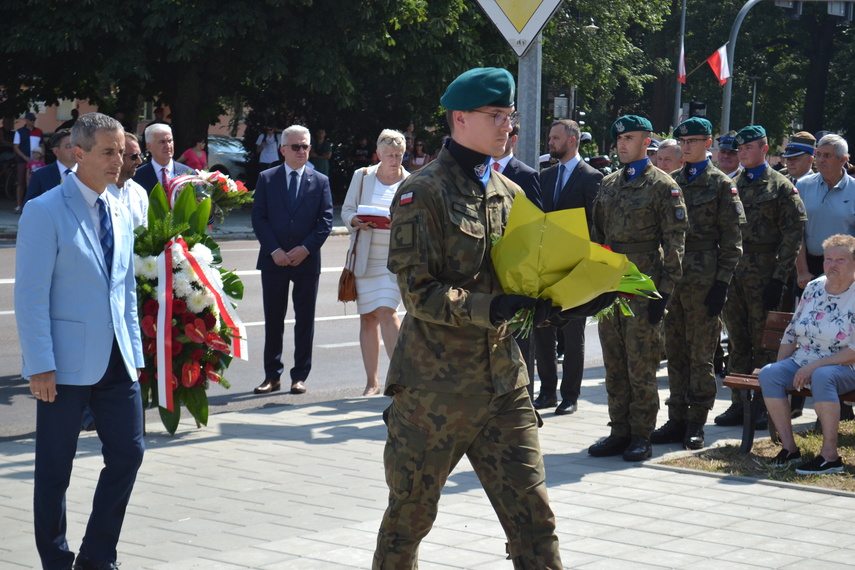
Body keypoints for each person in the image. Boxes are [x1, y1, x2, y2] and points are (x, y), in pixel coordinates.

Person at [374, 66, 565, 569]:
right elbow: (418, 292)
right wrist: (491, 307)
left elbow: (525, 276)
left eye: (511, 116)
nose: (509, 126)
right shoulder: (423, 192)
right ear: (460, 118)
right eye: (497, 115)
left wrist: (555, 299)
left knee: (535, 522)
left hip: (504, 385)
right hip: (435, 391)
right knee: (408, 521)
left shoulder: (511, 193)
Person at [15, 112, 145, 570]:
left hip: (117, 362)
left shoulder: (122, 208)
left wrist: (136, 354)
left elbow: (124, 289)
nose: (119, 161)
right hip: (64, 367)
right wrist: (40, 364)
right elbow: (29, 296)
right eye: (108, 152)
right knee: (54, 471)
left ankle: (96, 557)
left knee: (129, 455)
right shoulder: (44, 209)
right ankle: (55, 559)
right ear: (79, 153)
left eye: (121, 153)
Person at [588, 115, 688, 462]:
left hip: (643, 282)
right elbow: (597, 236)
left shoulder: (663, 185)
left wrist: (664, 292)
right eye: (619, 138)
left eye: (629, 138)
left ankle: (642, 434)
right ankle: (619, 430)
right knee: (613, 361)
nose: (622, 144)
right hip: (611, 281)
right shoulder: (610, 183)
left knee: (641, 364)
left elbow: (675, 243)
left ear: (647, 142)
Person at [651, 117, 745, 450]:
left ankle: (696, 421)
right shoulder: (670, 181)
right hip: (674, 278)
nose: (686, 146)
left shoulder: (721, 184)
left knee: (701, 355)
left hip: (705, 279)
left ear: (709, 144)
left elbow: (733, 239)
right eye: (683, 141)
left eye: (693, 141)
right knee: (674, 351)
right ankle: (676, 417)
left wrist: (723, 283)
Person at [715, 125, 807, 427]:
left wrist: (781, 277)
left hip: (766, 275)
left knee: (765, 344)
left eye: (749, 148)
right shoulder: (730, 184)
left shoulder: (780, 186)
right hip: (735, 274)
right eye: (739, 149)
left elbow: (793, 234)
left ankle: (766, 406)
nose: (742, 154)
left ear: (764, 149)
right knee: (738, 342)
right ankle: (739, 404)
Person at [759, 234, 855, 474]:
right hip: (805, 361)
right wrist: (781, 369)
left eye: (840, 260)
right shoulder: (813, 287)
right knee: (770, 374)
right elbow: (792, 332)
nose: (832, 264)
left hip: (846, 366)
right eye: (828, 259)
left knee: (823, 376)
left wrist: (812, 368)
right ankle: (790, 450)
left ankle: (830, 456)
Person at [251, 125, 333, 396]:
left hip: (306, 262)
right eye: (296, 147)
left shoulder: (320, 180)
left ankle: (299, 376)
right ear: (283, 149)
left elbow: (326, 221)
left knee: (305, 320)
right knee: (273, 319)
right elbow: (259, 217)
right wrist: (274, 250)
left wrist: (305, 249)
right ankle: (271, 375)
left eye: (306, 146)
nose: (301, 151)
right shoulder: (267, 178)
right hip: (273, 260)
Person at [533, 119, 603, 415]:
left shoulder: (592, 177)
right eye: (549, 137)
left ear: (572, 140)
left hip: (576, 268)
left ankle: (570, 395)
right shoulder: (545, 177)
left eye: (555, 138)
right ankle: (547, 390)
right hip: (546, 267)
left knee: (573, 334)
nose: (550, 142)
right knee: (543, 330)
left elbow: (597, 226)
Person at [341, 130, 409, 396]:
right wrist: (356, 221)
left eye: (399, 155)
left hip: (393, 261)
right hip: (366, 258)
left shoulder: (411, 180)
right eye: (390, 155)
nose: (395, 159)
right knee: (367, 319)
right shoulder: (363, 177)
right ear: (378, 154)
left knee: (386, 311)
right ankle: (372, 382)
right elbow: (347, 210)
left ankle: (398, 379)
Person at [488, 123, 543, 397]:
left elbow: (535, 223)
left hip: (517, 268)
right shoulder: (481, 171)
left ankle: (525, 397)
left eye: (506, 134)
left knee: (521, 336)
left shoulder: (526, 174)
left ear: (515, 139)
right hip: (488, 268)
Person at [133, 123, 193, 194]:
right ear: (149, 146)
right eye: (162, 142)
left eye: (170, 141)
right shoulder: (137, 177)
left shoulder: (189, 174)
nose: (168, 146)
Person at [107, 132, 149, 229]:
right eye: (134, 156)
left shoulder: (140, 193)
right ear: (118, 156)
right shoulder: (98, 190)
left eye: (141, 155)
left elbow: (144, 235)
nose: (139, 161)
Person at [24, 128, 76, 206]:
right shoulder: (39, 175)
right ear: (56, 151)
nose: (74, 150)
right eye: (69, 146)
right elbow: (29, 209)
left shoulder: (89, 174)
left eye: (77, 146)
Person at [13, 112, 43, 213]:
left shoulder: (39, 131)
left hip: (37, 161)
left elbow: (42, 145)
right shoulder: (19, 132)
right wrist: (24, 157)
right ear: (25, 120)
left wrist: (42, 157)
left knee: (36, 182)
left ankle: (35, 205)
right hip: (23, 160)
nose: (32, 121)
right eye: (30, 119)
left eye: (33, 120)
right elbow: (16, 147)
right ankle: (18, 205)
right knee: (21, 181)